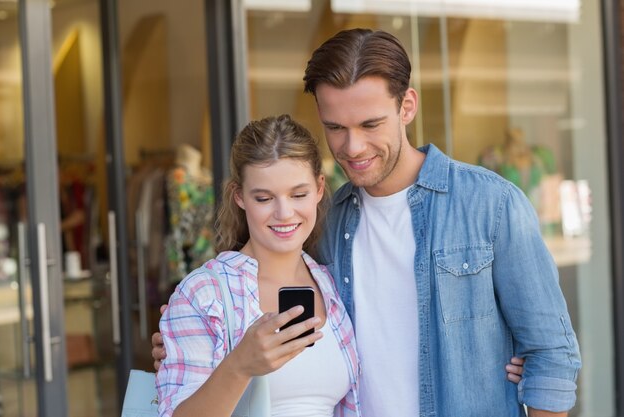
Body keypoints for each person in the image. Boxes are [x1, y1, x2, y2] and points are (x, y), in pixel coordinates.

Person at [153, 28, 579, 416]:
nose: (353, 147)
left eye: (370, 124)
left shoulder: (491, 204)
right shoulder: (325, 222)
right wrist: (191, 347)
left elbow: (551, 357)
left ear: (407, 106)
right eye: (335, 127)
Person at [156, 114, 361, 417]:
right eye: (264, 198)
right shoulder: (203, 293)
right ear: (239, 196)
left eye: (299, 194)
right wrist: (240, 365)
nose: (284, 212)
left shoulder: (331, 282)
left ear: (319, 189)